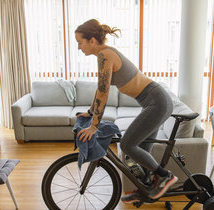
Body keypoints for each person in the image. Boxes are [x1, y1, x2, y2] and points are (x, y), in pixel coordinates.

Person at [75, 19, 178, 203]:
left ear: (92, 40)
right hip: (152, 103)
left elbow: (104, 92)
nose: (78, 47)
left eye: (80, 42)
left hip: (157, 102)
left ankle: (165, 176)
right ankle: (146, 189)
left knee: (128, 145)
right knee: (141, 151)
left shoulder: (105, 55)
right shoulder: (104, 55)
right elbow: (100, 89)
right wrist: (91, 113)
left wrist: (93, 126)